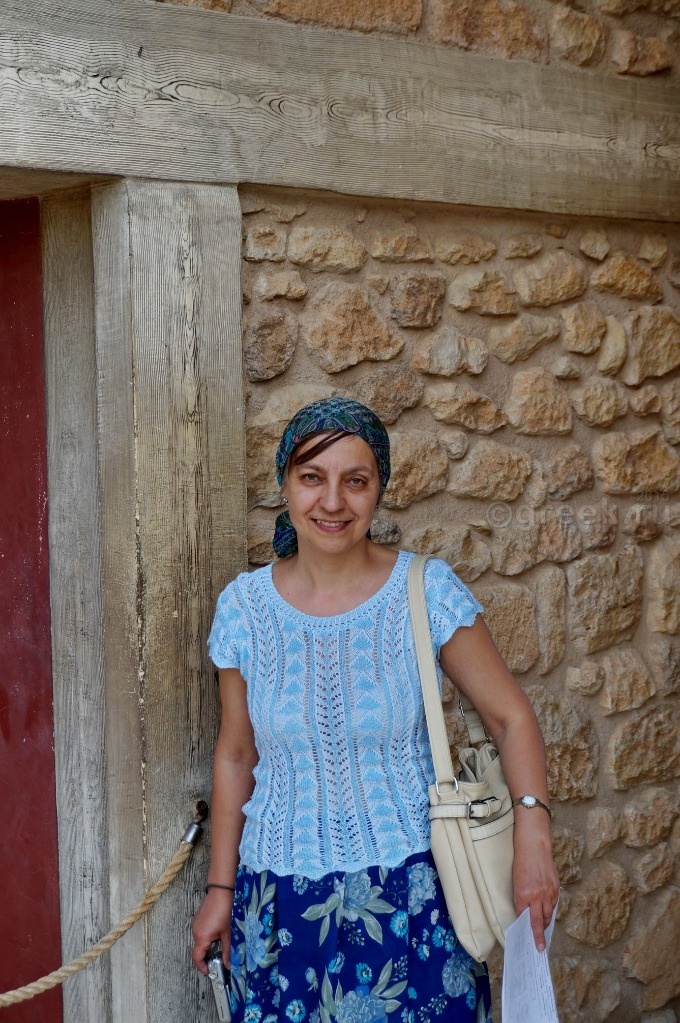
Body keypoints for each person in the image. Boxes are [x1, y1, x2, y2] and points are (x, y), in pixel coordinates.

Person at [191, 397, 559, 1023]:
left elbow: (511, 718)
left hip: (414, 898)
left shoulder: (425, 590)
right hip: (277, 907)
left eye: (355, 481)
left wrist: (534, 838)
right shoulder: (244, 610)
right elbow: (236, 755)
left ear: (379, 489)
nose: (333, 501)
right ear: (285, 484)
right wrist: (220, 890)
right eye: (312, 477)